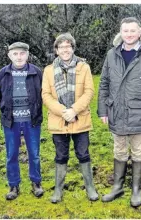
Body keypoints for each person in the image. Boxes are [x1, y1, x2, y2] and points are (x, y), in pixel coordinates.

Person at [98, 17, 141, 207]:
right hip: (117, 113)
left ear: (140, 32)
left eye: (132, 31)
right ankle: (117, 186)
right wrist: (103, 110)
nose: (129, 34)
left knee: (138, 152)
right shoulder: (112, 54)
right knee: (119, 150)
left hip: (140, 114)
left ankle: (136, 190)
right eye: (125, 31)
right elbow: (104, 83)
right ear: (121, 33)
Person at [42, 33, 98, 203]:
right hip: (58, 121)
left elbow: (89, 92)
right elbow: (45, 95)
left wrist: (74, 110)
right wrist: (63, 111)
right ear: (56, 50)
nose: (65, 50)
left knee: (83, 154)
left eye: (68, 46)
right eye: (61, 47)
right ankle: (58, 190)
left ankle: (90, 187)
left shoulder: (84, 67)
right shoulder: (48, 70)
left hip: (80, 119)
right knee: (61, 155)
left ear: (73, 48)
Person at [0, 42, 44, 201]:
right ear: (9, 55)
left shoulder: (36, 72)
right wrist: (6, 111)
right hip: (11, 122)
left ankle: (36, 183)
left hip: (32, 120)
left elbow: (43, 93)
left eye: (22, 53)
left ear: (27, 55)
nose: (19, 57)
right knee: (11, 154)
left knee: (34, 154)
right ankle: (14, 185)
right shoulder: (3, 74)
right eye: (15, 54)